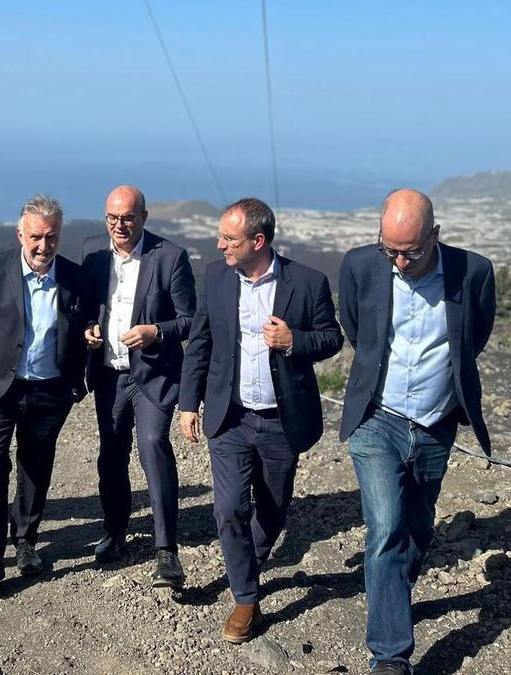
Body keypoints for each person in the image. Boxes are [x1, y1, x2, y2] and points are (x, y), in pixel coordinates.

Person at [337, 188, 496, 675]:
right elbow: (353, 325)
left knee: (419, 526)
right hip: (377, 418)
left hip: (436, 421)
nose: (400, 262)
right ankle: (390, 654)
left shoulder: (473, 272)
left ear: (436, 235)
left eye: (411, 251)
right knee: (385, 528)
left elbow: (476, 336)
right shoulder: (362, 265)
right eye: (391, 250)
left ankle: (393, 596)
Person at [178, 197, 342, 643]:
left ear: (258, 240)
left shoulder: (308, 282)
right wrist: (189, 403)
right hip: (229, 418)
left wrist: (294, 340)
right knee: (229, 507)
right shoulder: (216, 276)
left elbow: (331, 339)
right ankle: (246, 598)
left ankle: (246, 561)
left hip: (281, 421)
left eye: (228, 239)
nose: (220, 245)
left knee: (271, 510)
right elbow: (201, 343)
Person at [0, 194, 89, 592]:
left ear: (59, 236)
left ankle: (26, 541)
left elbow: (85, 326)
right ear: (20, 234)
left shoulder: (75, 277)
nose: (42, 246)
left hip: (49, 390)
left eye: (50, 237)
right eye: (35, 237)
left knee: (35, 465)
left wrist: (76, 381)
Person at [80, 185, 196, 587]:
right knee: (111, 456)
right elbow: (84, 308)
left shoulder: (170, 257)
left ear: (144, 217)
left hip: (153, 377)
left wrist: (156, 332)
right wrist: (88, 331)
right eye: (112, 217)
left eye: (127, 217)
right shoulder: (93, 254)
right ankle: (114, 533)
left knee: (152, 447)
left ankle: (166, 551)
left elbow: (190, 320)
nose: (119, 225)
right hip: (110, 374)